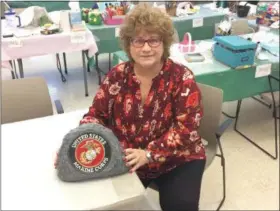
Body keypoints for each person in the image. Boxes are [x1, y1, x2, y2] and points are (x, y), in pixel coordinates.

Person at [80, 3, 206, 211]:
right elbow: (96, 115)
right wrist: (80, 143)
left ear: (164, 43)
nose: (146, 48)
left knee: (181, 205)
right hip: (128, 156)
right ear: (129, 44)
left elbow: (186, 130)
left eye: (153, 40)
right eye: (138, 40)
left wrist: (148, 153)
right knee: (107, 201)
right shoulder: (117, 75)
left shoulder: (182, 78)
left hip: (177, 158)